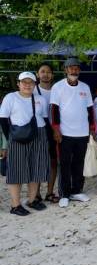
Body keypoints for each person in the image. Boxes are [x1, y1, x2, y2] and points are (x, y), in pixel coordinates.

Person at [0, 72, 50, 216]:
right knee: (16, 170)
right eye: (24, 82)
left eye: (31, 82)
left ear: (35, 84)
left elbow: (45, 120)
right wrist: (10, 138)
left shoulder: (40, 99)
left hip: (39, 135)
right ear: (18, 83)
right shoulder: (11, 97)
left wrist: (47, 138)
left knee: (36, 167)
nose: (27, 85)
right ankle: (15, 205)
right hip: (18, 136)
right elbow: (3, 119)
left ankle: (32, 200)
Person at [50, 58, 95, 208]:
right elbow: (54, 110)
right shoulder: (57, 87)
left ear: (79, 71)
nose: (74, 71)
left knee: (79, 163)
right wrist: (56, 129)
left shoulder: (85, 87)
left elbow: (90, 110)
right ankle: (64, 194)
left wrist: (92, 128)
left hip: (82, 133)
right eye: (71, 68)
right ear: (65, 70)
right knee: (64, 164)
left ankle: (76, 191)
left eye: (76, 68)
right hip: (65, 133)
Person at [34, 63, 59, 203]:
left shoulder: (58, 89)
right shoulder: (32, 90)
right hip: (38, 130)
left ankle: (49, 192)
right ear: (38, 74)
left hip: (55, 130)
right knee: (38, 162)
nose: (45, 74)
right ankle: (36, 193)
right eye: (42, 71)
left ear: (52, 75)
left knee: (53, 162)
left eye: (48, 72)